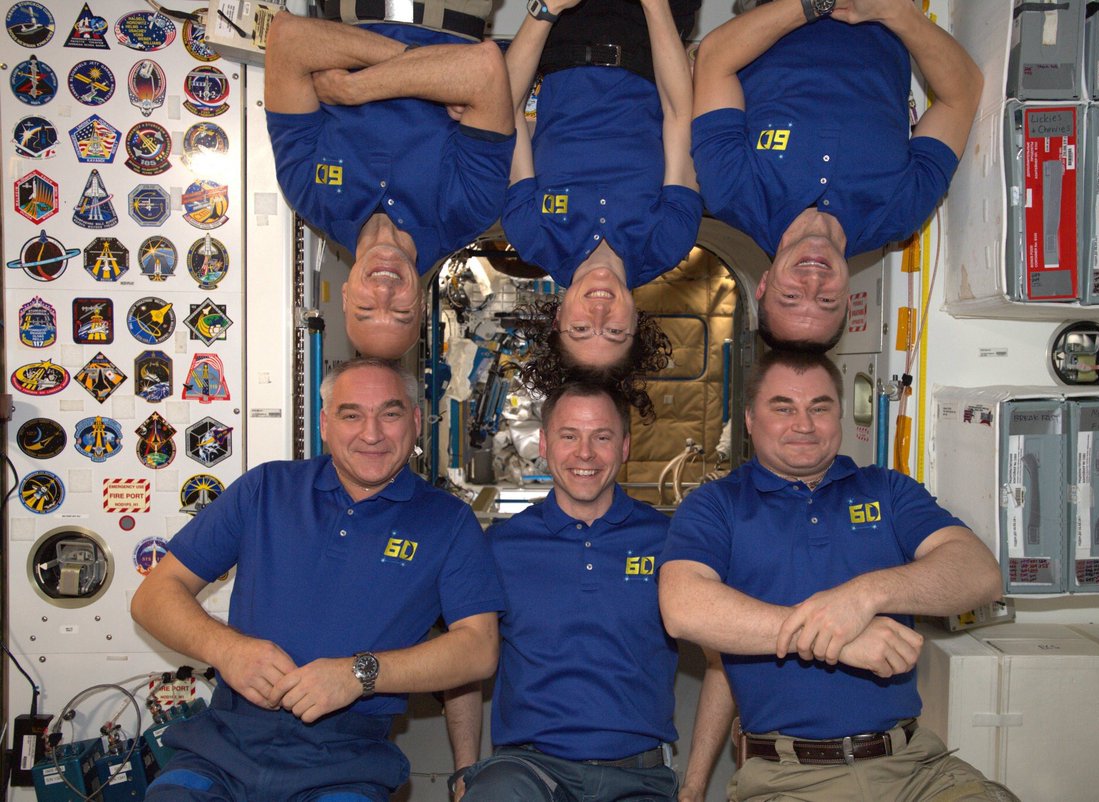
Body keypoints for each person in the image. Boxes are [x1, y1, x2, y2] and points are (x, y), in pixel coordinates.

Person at [130, 357, 505, 801]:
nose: (371, 434)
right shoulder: (266, 489)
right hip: (225, 744)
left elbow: (478, 649)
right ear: (325, 424)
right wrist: (226, 649)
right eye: (351, 415)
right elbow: (154, 596)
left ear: (417, 421)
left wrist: (359, 674)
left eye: (390, 414)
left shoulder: (449, 523)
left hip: (345, 759)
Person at [659, 350, 1016, 801]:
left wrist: (863, 596)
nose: (804, 424)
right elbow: (683, 607)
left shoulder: (887, 489)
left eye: (820, 408)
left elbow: (980, 573)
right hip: (788, 778)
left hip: (914, 767)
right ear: (749, 419)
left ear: (840, 415)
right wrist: (843, 640)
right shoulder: (717, 506)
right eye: (783, 408)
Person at [445, 380, 733, 801]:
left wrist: (695, 785)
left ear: (625, 447)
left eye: (602, 437)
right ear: (544, 444)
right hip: (528, 771)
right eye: (569, 436)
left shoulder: (668, 543)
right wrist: (464, 772)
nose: (585, 453)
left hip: (641, 777)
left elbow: (721, 659)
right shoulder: (501, 547)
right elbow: (462, 659)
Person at [691, 0, 982, 351]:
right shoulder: (900, 212)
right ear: (847, 299)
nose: (813, 282)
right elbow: (961, 96)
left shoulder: (729, 192)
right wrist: (897, 14)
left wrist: (817, 3)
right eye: (826, 301)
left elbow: (715, 60)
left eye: (791, 296)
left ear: (764, 285)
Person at [265, 11, 515, 359]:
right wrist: (354, 88)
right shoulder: (469, 212)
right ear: (422, 303)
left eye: (366, 309)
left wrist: (442, 75)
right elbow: (486, 68)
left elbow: (287, 39)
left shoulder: (307, 194)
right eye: (400, 311)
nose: (383, 292)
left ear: (345, 296)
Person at [500, 0, 703, 374]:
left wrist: (546, 9)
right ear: (636, 322)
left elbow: (508, 110)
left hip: (565, 27)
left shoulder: (531, 232)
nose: (599, 312)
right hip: (651, 34)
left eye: (580, 329)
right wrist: (656, 6)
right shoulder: (668, 240)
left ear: (558, 319)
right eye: (614, 331)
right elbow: (679, 115)